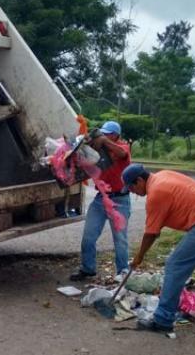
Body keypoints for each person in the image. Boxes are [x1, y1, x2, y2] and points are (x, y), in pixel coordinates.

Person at [122, 164, 195, 333]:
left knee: (175, 265)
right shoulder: (164, 175)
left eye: (131, 187)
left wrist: (139, 256)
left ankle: (162, 320)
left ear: (140, 180)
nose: (132, 192)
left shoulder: (156, 193)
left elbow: (151, 233)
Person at [70, 120, 132, 282]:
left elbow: (122, 154)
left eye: (107, 134)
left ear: (115, 135)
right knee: (88, 236)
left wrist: (104, 141)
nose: (103, 136)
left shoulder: (122, 147)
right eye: (102, 134)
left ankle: (122, 273)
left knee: (120, 240)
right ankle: (88, 268)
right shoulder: (97, 151)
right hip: (101, 199)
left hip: (120, 199)